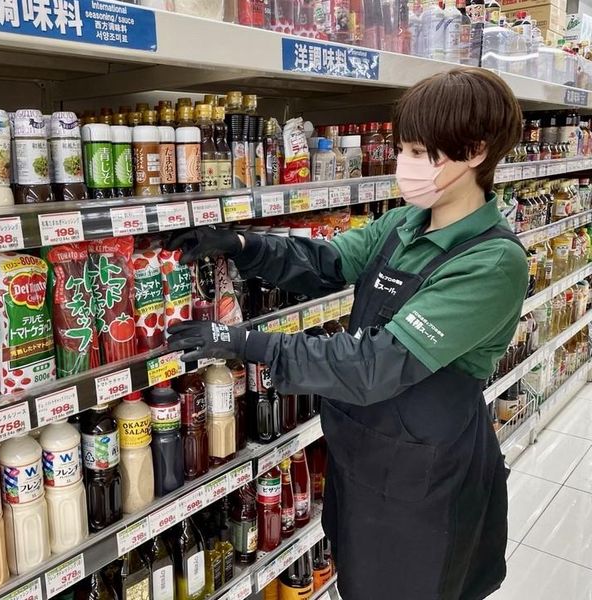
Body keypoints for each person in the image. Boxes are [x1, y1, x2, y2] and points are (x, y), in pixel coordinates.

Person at [166, 67, 528, 600]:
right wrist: (244, 246)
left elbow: (375, 363)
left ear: (475, 152)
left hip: (426, 477)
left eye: (418, 151)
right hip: (361, 452)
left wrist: (247, 343)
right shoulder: (404, 224)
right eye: (402, 148)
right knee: (357, 578)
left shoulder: (492, 261)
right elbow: (328, 262)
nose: (404, 163)